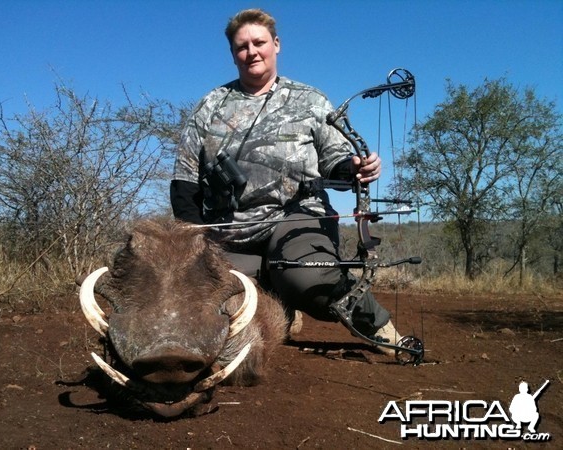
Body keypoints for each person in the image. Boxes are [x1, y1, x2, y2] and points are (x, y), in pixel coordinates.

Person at [171, 8, 401, 352]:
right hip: (230, 232)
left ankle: (380, 328)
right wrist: (192, 244)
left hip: (297, 218)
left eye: (259, 42)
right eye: (241, 46)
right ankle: (281, 307)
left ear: (276, 44)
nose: (251, 52)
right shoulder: (210, 106)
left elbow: (336, 161)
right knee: (204, 291)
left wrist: (354, 169)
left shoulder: (311, 100)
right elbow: (185, 182)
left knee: (304, 273)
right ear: (233, 54)